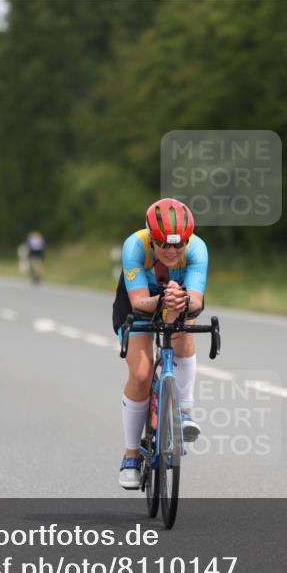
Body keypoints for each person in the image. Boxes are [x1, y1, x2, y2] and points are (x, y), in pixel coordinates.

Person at [112, 198, 208, 489]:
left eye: (178, 245)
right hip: (137, 303)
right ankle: (131, 456)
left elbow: (198, 300)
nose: (171, 251)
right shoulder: (135, 247)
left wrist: (182, 301)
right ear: (151, 238)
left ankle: (184, 413)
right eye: (163, 244)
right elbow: (139, 301)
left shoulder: (197, 249)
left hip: (178, 299)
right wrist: (163, 300)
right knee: (141, 374)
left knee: (184, 332)